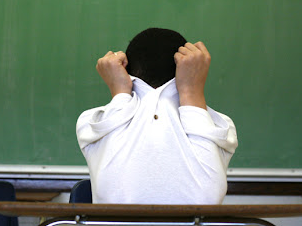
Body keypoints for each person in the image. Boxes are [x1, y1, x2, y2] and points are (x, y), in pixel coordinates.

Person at [76, 27, 238, 204]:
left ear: (126, 70)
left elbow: (207, 198)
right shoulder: (220, 126)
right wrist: (192, 93)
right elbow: (206, 200)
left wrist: (120, 93)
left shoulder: (92, 123)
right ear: (192, 70)